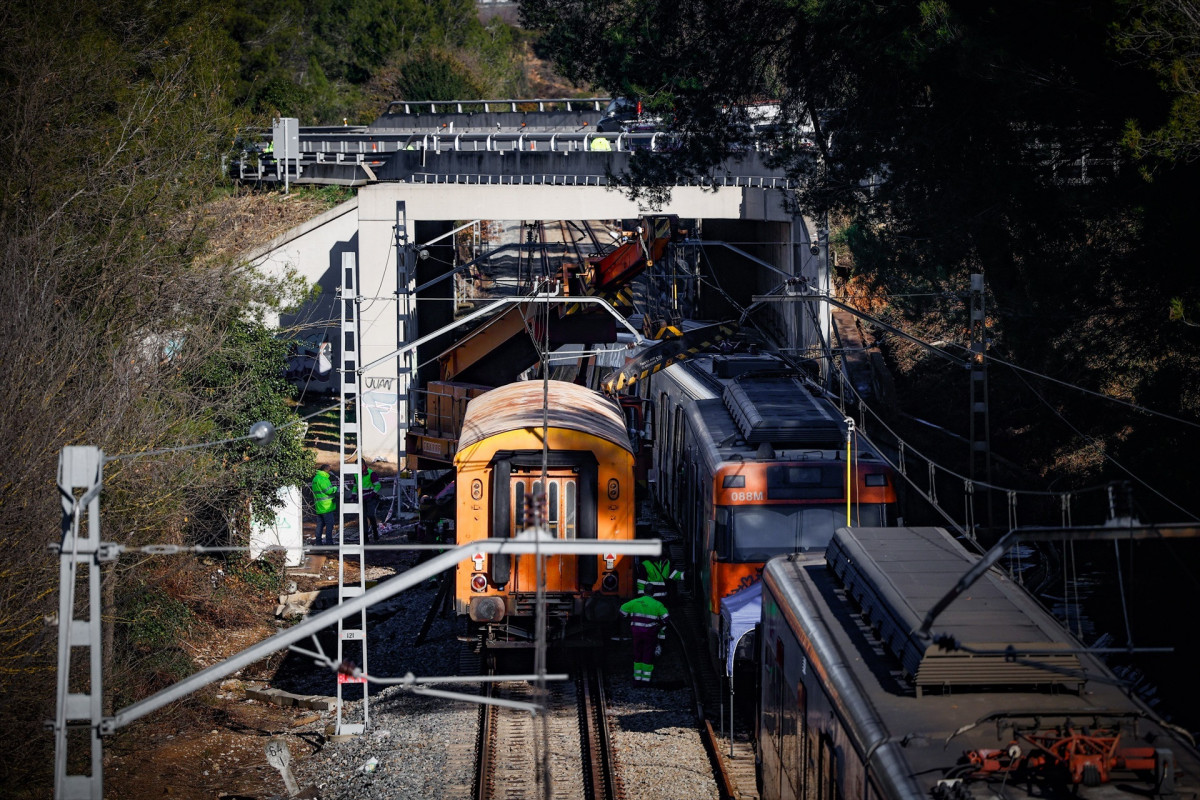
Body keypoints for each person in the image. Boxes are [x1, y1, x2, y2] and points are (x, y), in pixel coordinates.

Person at [619, 589, 669, 685]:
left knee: (637, 653)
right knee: (648, 654)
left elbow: (622, 611)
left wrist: (629, 617)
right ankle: (645, 680)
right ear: (653, 593)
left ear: (644, 592)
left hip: (636, 633)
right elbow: (666, 618)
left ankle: (637, 679)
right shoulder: (657, 604)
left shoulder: (634, 602)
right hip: (650, 634)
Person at [312, 465, 337, 547]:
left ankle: (318, 542)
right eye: (329, 470)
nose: (330, 472)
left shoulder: (316, 478)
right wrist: (336, 489)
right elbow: (328, 490)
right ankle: (329, 542)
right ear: (326, 470)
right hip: (326, 506)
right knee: (330, 524)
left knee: (320, 525)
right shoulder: (323, 478)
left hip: (319, 506)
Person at [355, 467, 382, 541]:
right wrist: (353, 496)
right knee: (363, 518)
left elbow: (378, 485)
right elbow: (355, 486)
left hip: (370, 498)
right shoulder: (356, 474)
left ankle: (375, 532)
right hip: (362, 499)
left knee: (371, 515)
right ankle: (365, 537)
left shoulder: (371, 473)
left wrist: (373, 494)